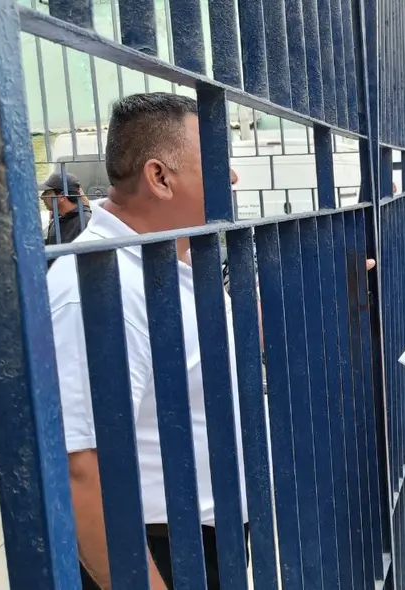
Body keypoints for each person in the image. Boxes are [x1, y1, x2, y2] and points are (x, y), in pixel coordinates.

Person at [48, 93, 248, 589]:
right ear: (159, 177)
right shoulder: (92, 287)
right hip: (159, 552)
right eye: (219, 163)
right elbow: (78, 470)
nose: (234, 178)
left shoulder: (168, 260)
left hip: (202, 538)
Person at [41, 172, 91, 250]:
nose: (42, 197)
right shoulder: (56, 220)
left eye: (47, 192)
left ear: (62, 196)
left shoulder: (86, 222)